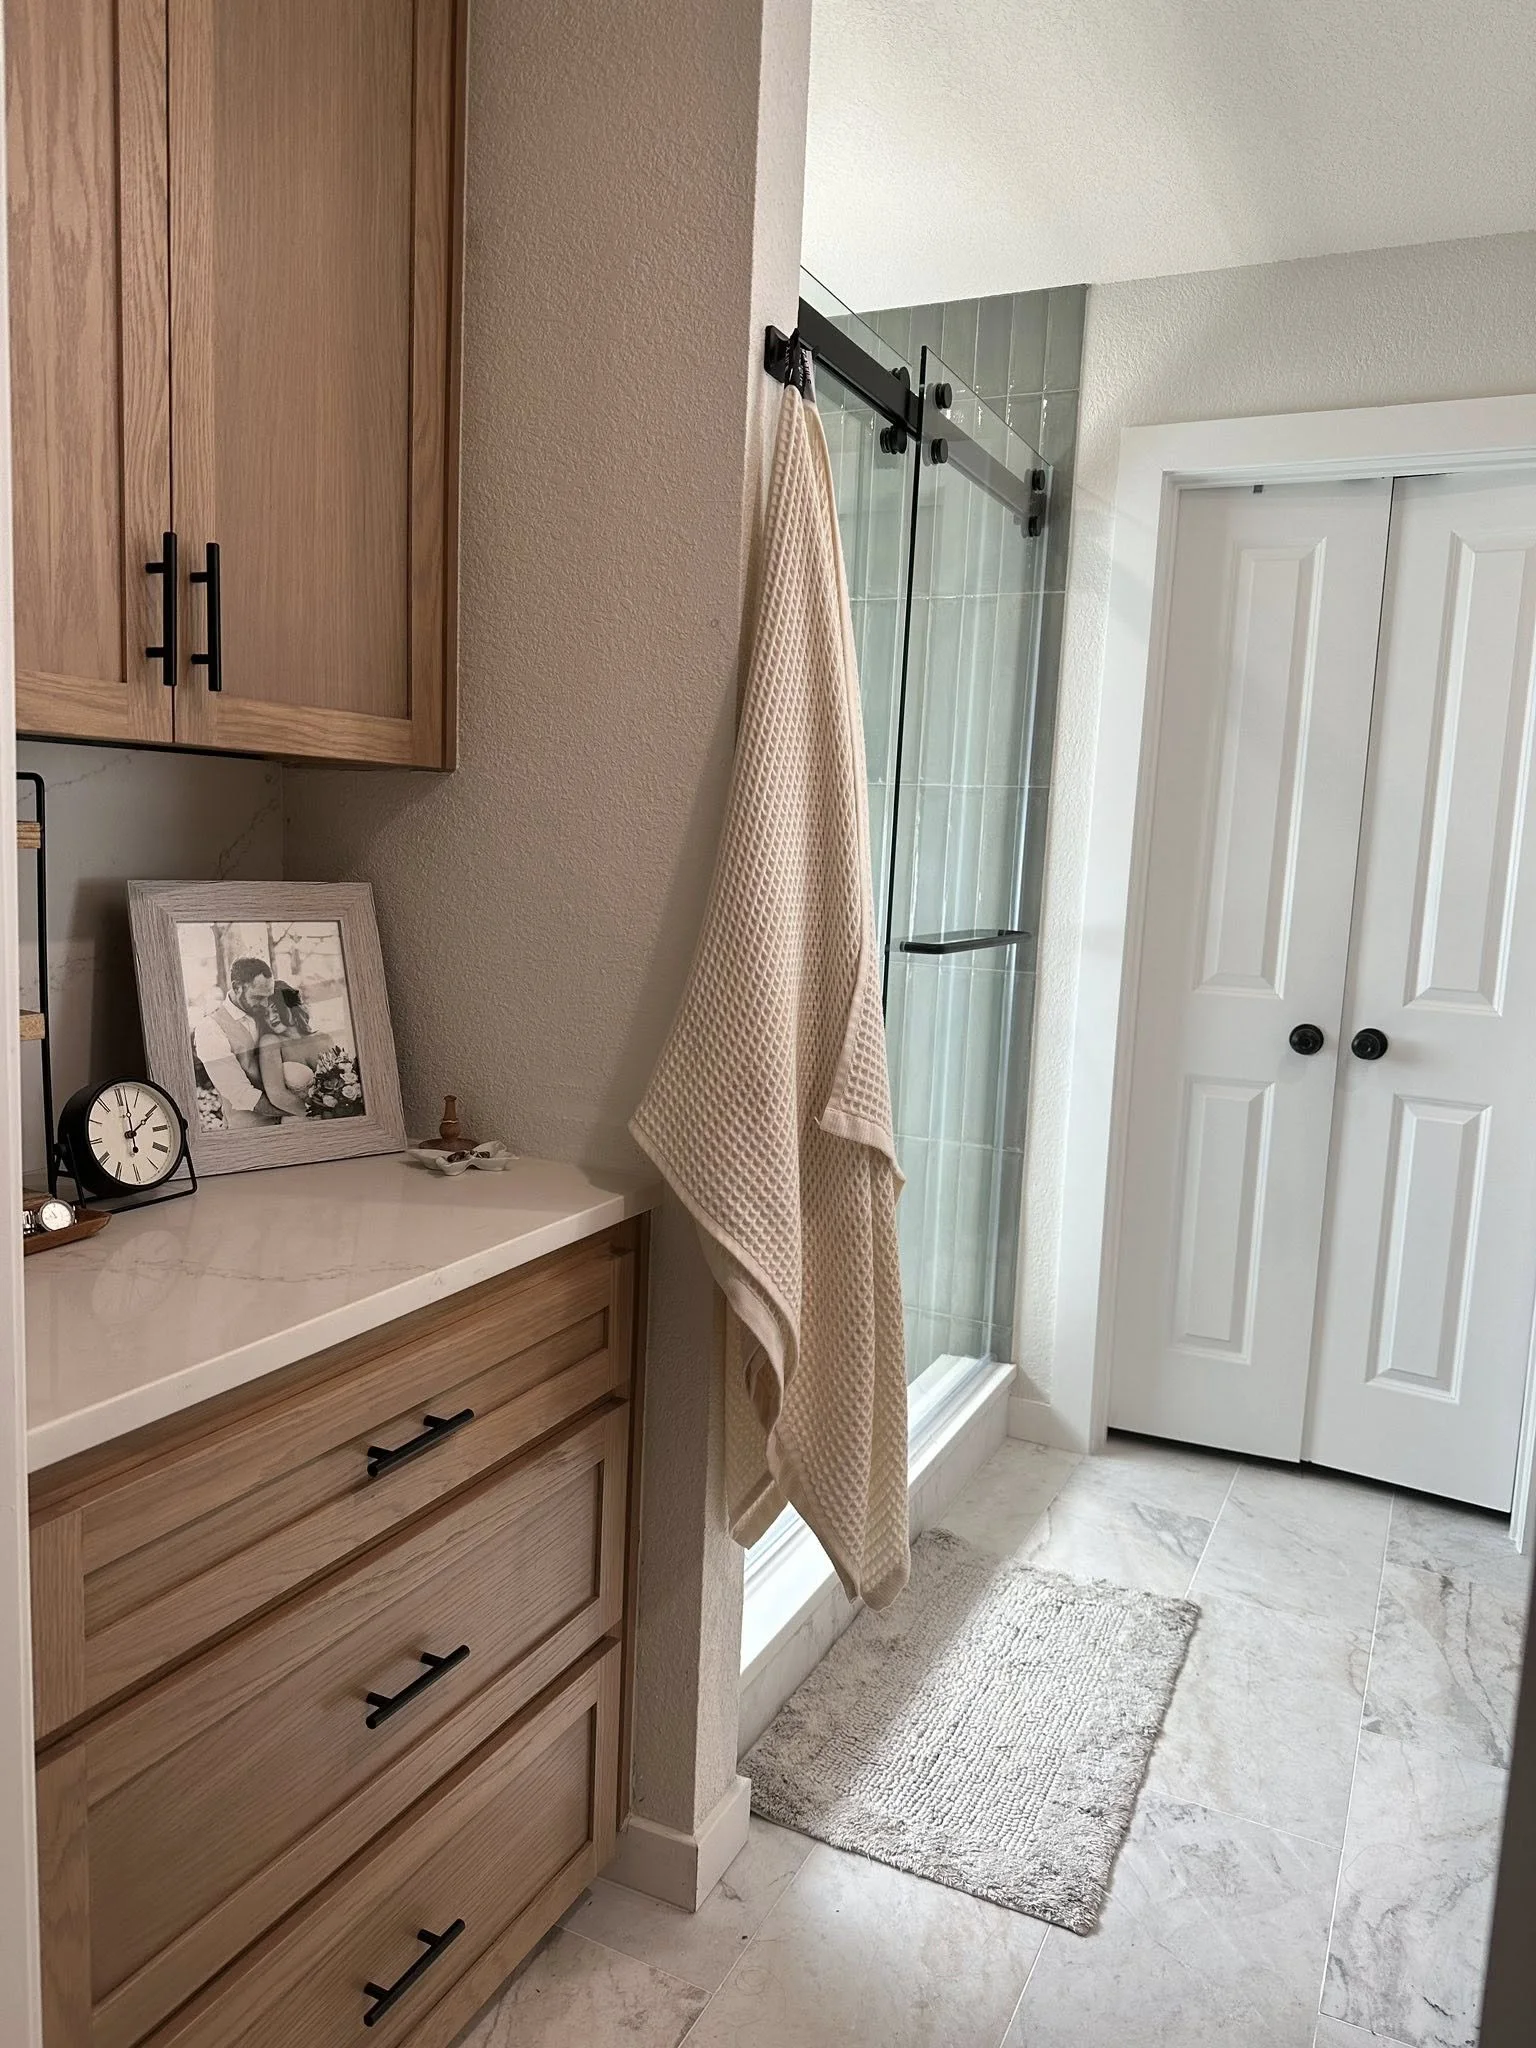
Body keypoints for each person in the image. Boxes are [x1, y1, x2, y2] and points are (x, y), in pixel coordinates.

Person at [191, 956, 282, 1129]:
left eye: (268, 996)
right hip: (249, 1132)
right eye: (258, 997)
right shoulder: (210, 1028)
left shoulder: (270, 1013)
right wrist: (294, 1110)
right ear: (236, 987)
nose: (265, 1003)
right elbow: (239, 1093)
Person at [255, 983, 338, 1117]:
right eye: (266, 1014)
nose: (271, 1018)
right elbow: (277, 1096)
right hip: (301, 1119)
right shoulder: (270, 1042)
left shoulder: (324, 1038)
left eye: (275, 1010)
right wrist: (318, 1117)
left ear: (291, 1006)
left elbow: (340, 1082)